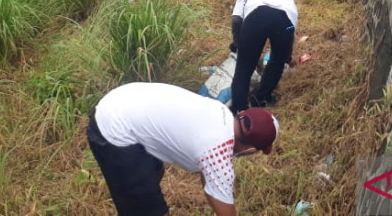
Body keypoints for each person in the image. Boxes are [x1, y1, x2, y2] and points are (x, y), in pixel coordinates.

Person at [87, 82, 279, 216]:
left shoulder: (219, 112)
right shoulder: (218, 153)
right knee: (154, 212)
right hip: (114, 129)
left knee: (153, 177)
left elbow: (211, 185)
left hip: (122, 100)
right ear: (251, 150)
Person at [229, 0, 298, 113]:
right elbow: (290, 33)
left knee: (244, 68)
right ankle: (261, 99)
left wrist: (239, 44)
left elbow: (237, 20)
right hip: (286, 22)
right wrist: (286, 57)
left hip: (257, 17)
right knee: (277, 63)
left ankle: (239, 109)